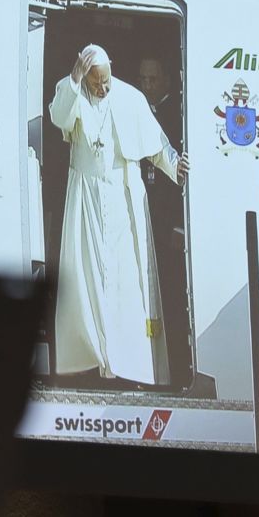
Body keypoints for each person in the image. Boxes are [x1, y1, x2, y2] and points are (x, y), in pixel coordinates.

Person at [48, 45, 188, 386]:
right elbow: (59, 117)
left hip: (124, 198)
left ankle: (129, 363)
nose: (103, 89)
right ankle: (94, 360)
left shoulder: (130, 98)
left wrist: (175, 165)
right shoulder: (73, 91)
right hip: (87, 201)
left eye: (107, 81)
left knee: (128, 282)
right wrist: (74, 80)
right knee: (89, 280)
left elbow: (155, 146)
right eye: (96, 83)